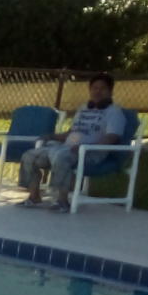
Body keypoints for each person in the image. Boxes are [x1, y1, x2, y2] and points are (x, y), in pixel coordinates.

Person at [19, 75, 128, 209]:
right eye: (94, 88)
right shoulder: (83, 109)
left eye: (102, 88)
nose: (98, 91)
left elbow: (112, 137)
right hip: (67, 147)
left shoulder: (114, 112)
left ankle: (62, 201)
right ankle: (34, 196)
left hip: (91, 152)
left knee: (61, 157)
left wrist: (87, 147)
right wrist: (51, 136)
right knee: (29, 156)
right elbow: (70, 133)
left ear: (110, 91)